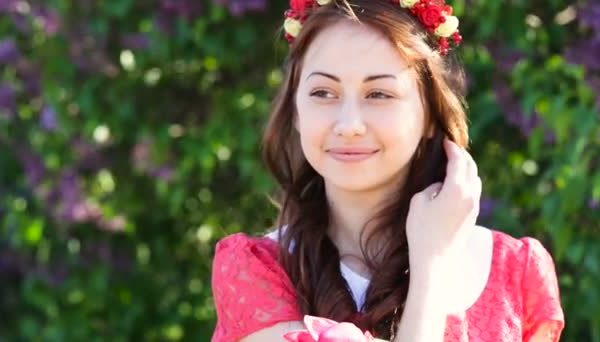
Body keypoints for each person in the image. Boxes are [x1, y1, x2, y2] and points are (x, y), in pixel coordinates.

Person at [210, 0, 565, 340]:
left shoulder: (515, 272)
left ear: (430, 114)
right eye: (323, 92)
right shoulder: (257, 272)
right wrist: (431, 267)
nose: (349, 125)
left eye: (379, 94)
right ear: (296, 111)